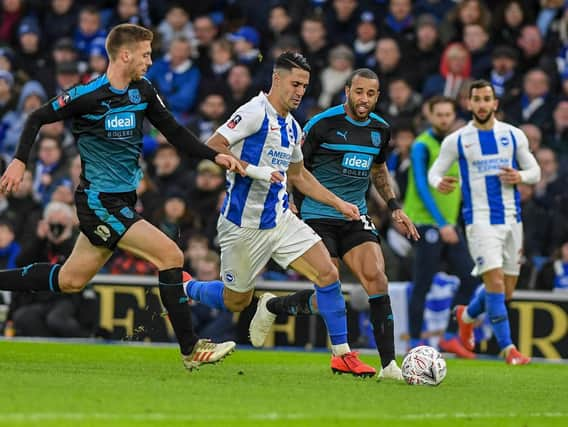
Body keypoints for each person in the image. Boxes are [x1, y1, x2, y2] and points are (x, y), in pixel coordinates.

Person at [0, 24, 245, 370]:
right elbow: (37, 116)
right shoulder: (87, 95)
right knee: (171, 255)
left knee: (70, 280)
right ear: (125, 55)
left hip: (120, 204)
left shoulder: (142, 91)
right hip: (100, 203)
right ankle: (191, 349)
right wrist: (20, 160)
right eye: (145, 54)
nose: (150, 60)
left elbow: (173, 132)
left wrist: (213, 156)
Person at [183, 52, 378, 376]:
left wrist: (337, 203)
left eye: (305, 85)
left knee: (328, 273)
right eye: (295, 83)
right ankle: (187, 287)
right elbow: (213, 145)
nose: (300, 91)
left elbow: (299, 175)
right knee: (236, 301)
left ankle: (342, 354)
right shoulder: (253, 112)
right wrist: (250, 169)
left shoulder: (291, 126)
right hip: (243, 226)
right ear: (276, 79)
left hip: (280, 218)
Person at [250, 68, 420, 379]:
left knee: (376, 279)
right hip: (316, 214)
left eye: (370, 94)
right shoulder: (322, 124)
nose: (364, 99)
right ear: (347, 91)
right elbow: (294, 167)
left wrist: (395, 207)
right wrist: (289, 206)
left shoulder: (381, 129)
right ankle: (292, 320)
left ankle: (389, 366)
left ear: (377, 96)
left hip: (355, 215)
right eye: (359, 92)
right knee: (329, 285)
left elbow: (379, 171)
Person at [428, 79, 541, 365]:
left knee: (506, 291)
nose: (481, 104)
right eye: (475, 99)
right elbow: (434, 172)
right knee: (494, 281)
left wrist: (521, 177)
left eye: (486, 99)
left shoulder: (514, 135)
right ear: (468, 103)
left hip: (512, 219)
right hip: (479, 220)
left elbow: (535, 171)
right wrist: (440, 182)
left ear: (495, 103)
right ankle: (509, 349)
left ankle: (466, 317)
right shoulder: (458, 139)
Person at [404, 96, 479, 358]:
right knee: (423, 283)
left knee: (470, 278)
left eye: (449, 114)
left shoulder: (457, 146)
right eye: (440, 115)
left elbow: (463, 187)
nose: (445, 119)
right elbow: (423, 187)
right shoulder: (421, 146)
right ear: (430, 115)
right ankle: (414, 341)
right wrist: (441, 223)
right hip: (426, 224)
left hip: (449, 224)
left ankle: (449, 336)